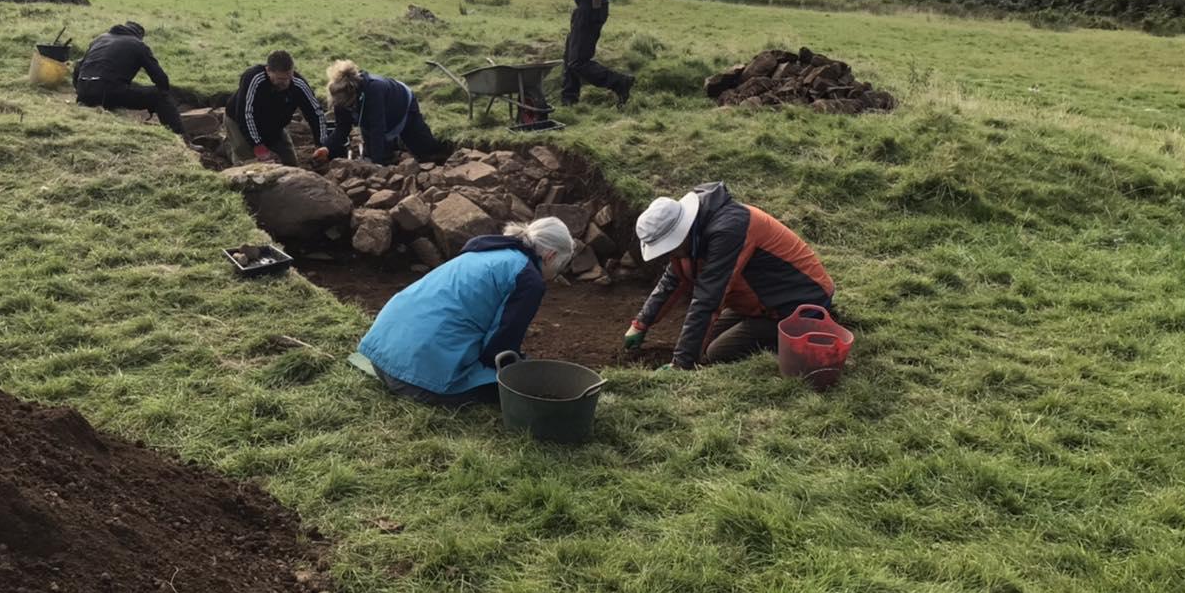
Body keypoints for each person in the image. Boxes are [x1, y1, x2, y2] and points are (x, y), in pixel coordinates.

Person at [357, 218, 574, 407]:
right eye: (560, 265)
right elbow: (499, 348)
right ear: (550, 256)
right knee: (512, 382)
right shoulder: (528, 279)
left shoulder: (486, 249)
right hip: (413, 381)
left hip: (379, 357)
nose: (556, 274)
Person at [625, 182, 835, 370]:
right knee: (704, 344)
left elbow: (708, 300)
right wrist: (641, 323)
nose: (669, 254)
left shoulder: (728, 231)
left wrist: (681, 365)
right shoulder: (694, 234)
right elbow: (674, 278)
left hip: (796, 304)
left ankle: (800, 336)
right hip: (759, 303)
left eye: (668, 248)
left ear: (680, 232)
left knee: (716, 353)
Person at [73, 21, 188, 141]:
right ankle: (181, 139)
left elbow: (78, 67)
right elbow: (159, 77)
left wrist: (80, 91)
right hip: (108, 91)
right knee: (159, 96)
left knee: (120, 85)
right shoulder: (137, 44)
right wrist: (165, 96)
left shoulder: (99, 39)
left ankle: (91, 99)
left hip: (84, 91)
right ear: (139, 35)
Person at [324, 60, 447, 165]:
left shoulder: (374, 90)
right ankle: (393, 148)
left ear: (354, 94)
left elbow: (377, 128)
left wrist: (376, 165)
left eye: (349, 105)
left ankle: (436, 151)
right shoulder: (339, 98)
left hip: (401, 104)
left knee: (425, 149)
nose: (346, 108)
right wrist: (326, 148)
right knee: (377, 152)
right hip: (372, 115)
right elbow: (342, 128)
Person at [224, 50, 329, 165]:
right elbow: (245, 114)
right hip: (239, 121)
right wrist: (258, 146)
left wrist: (321, 144)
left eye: (288, 77)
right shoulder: (253, 78)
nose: (285, 83)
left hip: (273, 125)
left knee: (290, 163)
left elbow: (316, 113)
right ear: (268, 70)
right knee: (249, 162)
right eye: (280, 79)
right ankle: (229, 149)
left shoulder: (298, 84)